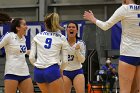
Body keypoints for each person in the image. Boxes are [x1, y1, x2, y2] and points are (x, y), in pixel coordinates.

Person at [83, 0, 140, 92]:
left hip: (129, 54)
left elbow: (105, 26)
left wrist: (93, 19)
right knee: (136, 90)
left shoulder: (124, 9)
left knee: (125, 91)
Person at [29, 12, 68, 93]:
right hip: (52, 69)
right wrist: (60, 70)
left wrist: (38, 65)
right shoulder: (62, 38)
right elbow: (65, 61)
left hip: (38, 71)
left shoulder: (37, 36)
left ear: (45, 24)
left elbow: (31, 58)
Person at [0, 13, 34, 93]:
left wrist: (34, 52)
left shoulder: (23, 38)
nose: (26, 27)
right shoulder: (9, 36)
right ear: (18, 28)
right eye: (24, 25)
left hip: (24, 73)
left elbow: (23, 51)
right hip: (11, 73)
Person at [62, 21, 86, 93]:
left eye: (73, 27)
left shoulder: (80, 43)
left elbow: (82, 60)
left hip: (77, 71)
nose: (71, 29)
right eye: (69, 27)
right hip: (65, 71)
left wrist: (77, 51)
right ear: (66, 30)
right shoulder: (62, 43)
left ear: (77, 30)